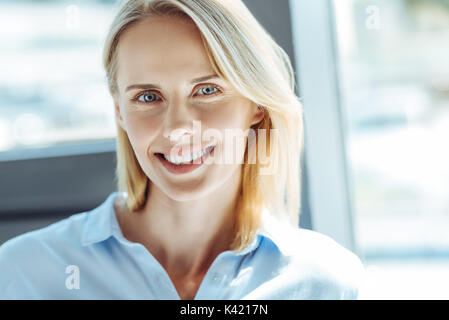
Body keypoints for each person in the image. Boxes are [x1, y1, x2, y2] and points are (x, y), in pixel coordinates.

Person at [0, 0, 365, 299]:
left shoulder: (328, 283)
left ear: (257, 104)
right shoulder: (24, 274)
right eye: (147, 97)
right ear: (119, 112)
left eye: (206, 90)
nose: (176, 128)